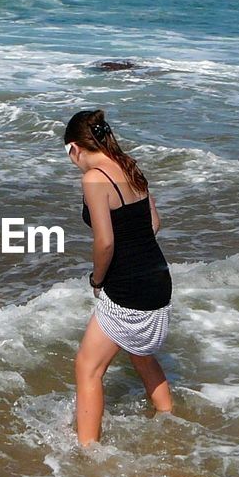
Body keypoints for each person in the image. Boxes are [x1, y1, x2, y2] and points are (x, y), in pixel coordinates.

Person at [64, 109, 173, 445]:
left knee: (87, 367)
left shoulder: (95, 178)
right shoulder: (129, 166)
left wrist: (98, 280)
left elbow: (105, 241)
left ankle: (88, 451)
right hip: (157, 278)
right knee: (139, 352)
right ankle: (169, 419)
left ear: (74, 149)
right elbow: (155, 223)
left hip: (128, 287)